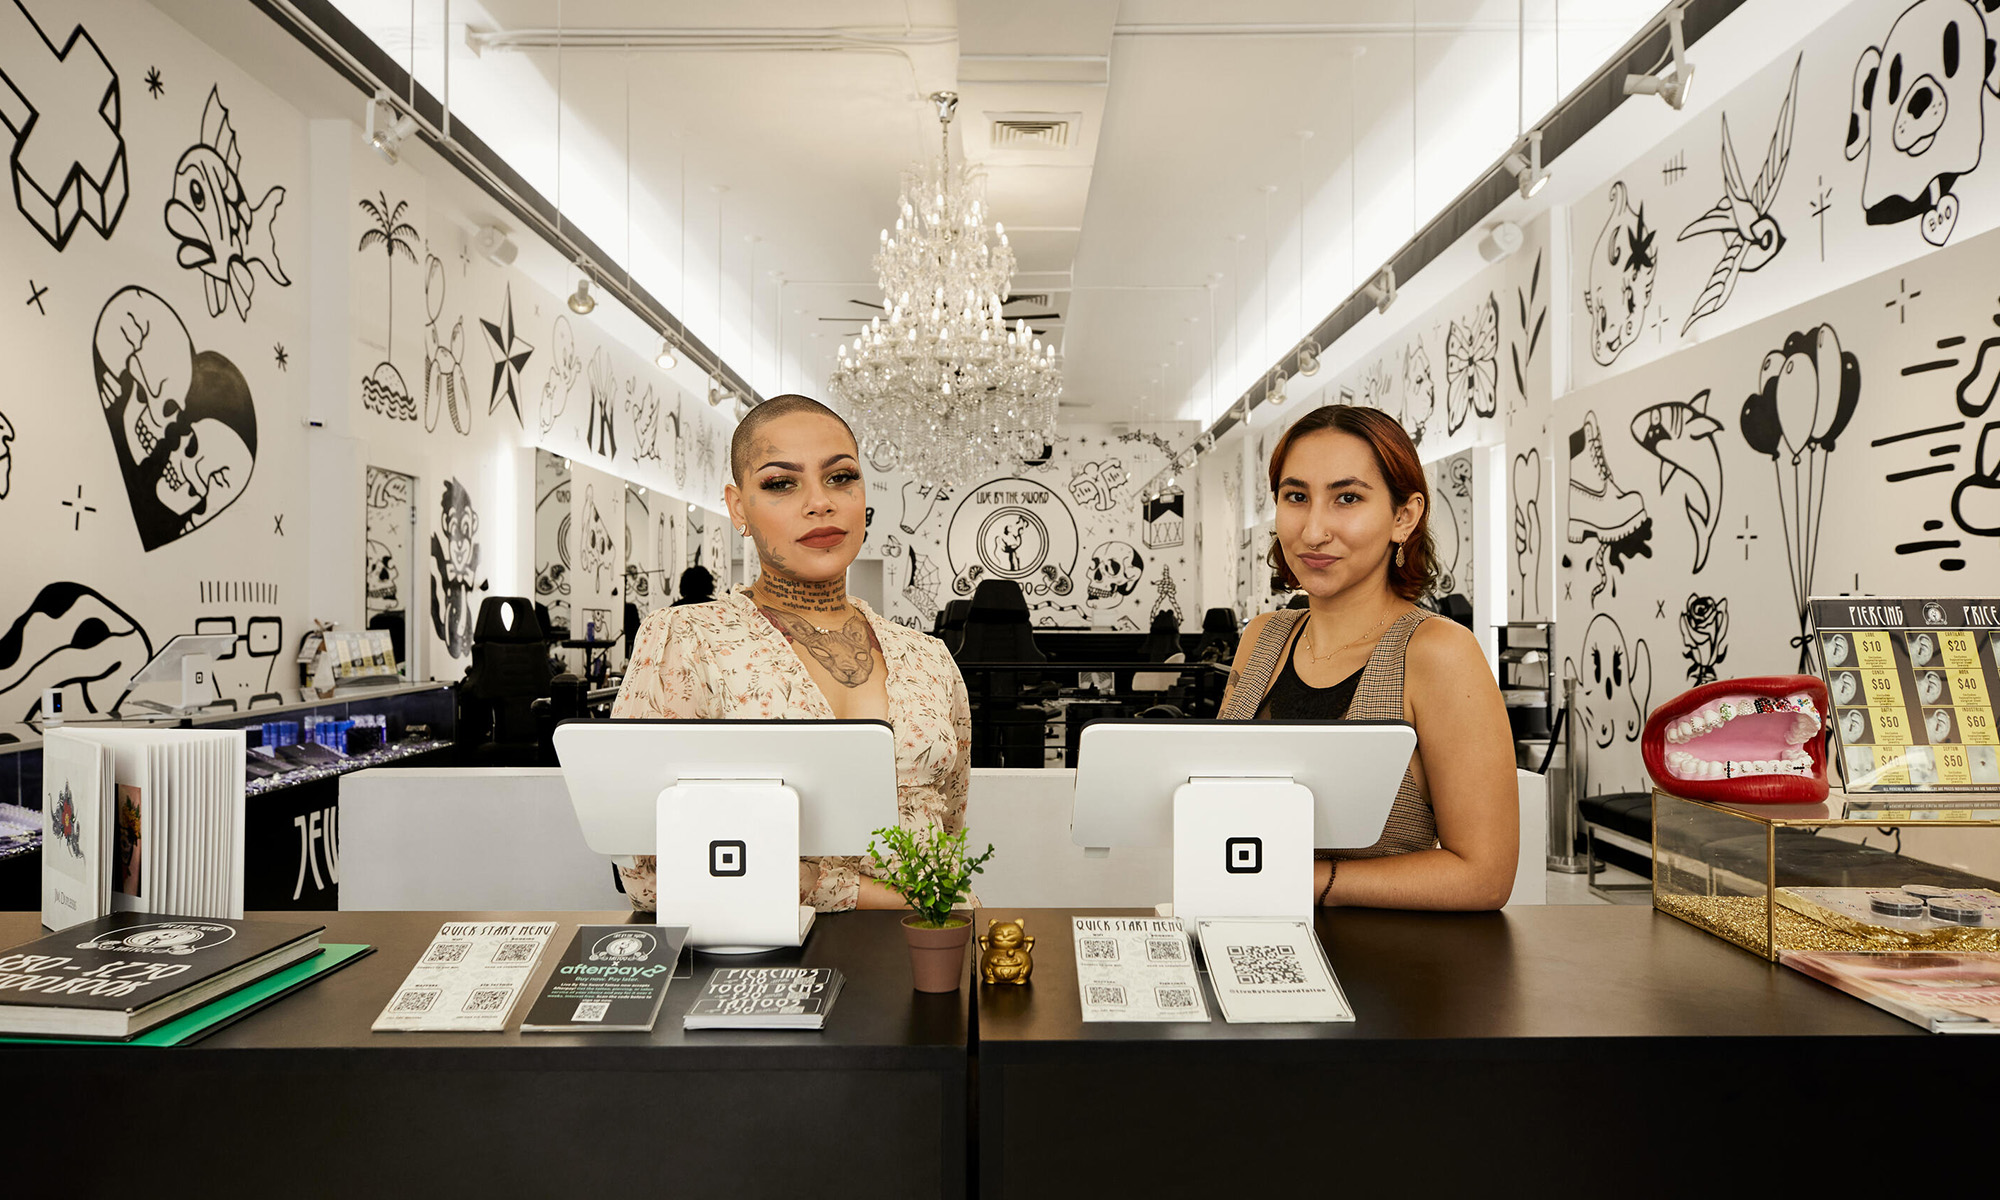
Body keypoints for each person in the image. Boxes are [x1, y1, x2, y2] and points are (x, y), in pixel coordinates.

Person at [611, 395, 972, 911]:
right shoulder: (688, 641)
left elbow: (952, 827)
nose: (819, 502)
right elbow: (646, 865)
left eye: (841, 478)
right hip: (760, 966)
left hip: (931, 952)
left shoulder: (929, 657)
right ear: (739, 507)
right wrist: (857, 895)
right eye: (781, 483)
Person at [1219, 404, 1518, 910]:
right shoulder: (1262, 637)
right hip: (1244, 936)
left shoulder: (1436, 652)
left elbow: (1484, 876)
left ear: (1404, 517)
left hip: (1384, 967)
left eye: (1347, 498)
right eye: (1296, 497)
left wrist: (1304, 879)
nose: (1313, 531)